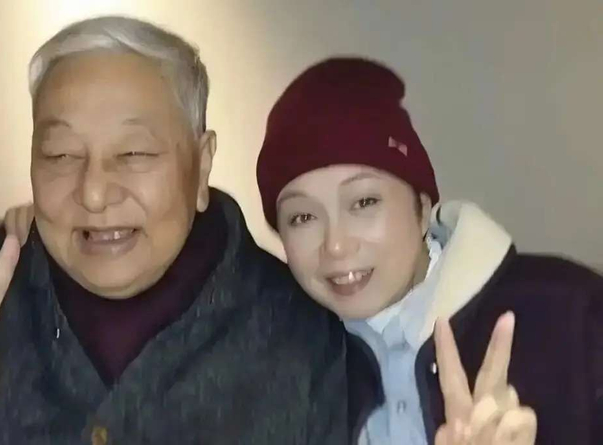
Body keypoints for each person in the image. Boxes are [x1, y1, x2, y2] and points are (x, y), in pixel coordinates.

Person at [0, 17, 350, 444]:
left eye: (134, 153)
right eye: (61, 155)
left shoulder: (304, 335)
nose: (94, 194)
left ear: (201, 167)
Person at [255, 58, 603, 444]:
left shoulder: (571, 313)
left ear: (422, 209)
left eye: (364, 202)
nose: (336, 245)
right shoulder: (286, 365)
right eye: (303, 217)